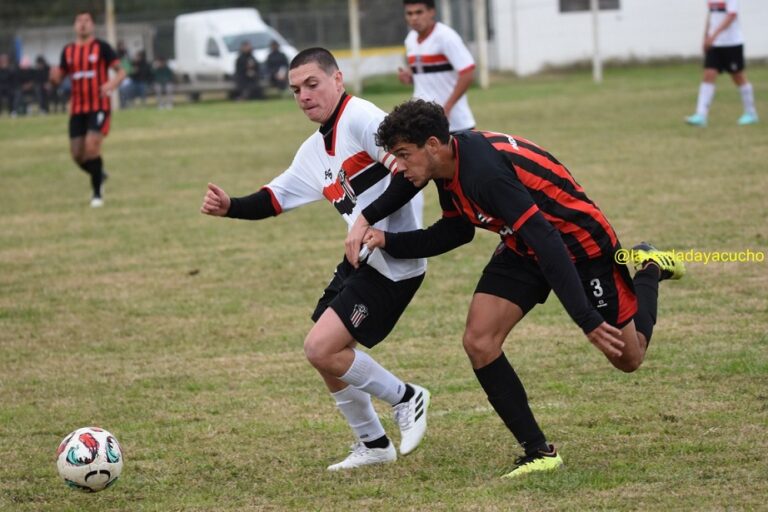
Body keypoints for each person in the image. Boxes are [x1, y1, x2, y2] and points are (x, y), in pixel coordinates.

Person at [346, 99, 686, 479]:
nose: (400, 166)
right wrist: (382, 236)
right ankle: (539, 451)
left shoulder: (483, 174)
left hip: (579, 246)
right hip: (523, 246)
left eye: (404, 155)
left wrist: (587, 320)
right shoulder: (445, 166)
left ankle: (650, 267)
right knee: (479, 340)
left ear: (432, 145)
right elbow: (457, 231)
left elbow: (549, 242)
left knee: (629, 358)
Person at [200, 48, 431, 471]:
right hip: (361, 260)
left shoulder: (362, 118)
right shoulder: (313, 151)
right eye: (295, 90)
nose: (304, 95)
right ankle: (373, 444)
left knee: (320, 348)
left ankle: (408, 398)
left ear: (337, 80)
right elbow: (272, 199)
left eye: (312, 84)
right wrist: (229, 205)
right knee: (328, 356)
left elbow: (413, 172)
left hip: (395, 261)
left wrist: (366, 218)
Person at [51, 10, 125, 208]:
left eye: (86, 20)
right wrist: (53, 78)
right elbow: (58, 78)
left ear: (92, 25)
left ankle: (97, 193)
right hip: (77, 108)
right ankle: (99, 173)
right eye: (79, 21)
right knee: (77, 155)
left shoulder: (102, 47)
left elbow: (122, 71)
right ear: (75, 25)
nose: (82, 24)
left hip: (98, 106)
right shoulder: (67, 51)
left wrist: (111, 84)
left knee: (92, 148)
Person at [399, 0, 476, 133]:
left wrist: (447, 107)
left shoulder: (446, 37)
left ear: (432, 12)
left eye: (419, 12)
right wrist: (409, 76)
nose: (414, 18)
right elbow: (424, 72)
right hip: (423, 118)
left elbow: (467, 73)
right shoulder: (410, 39)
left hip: (455, 122)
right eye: (409, 13)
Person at [685, 0, 758, 126]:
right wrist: (706, 37)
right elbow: (711, 15)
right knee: (709, 74)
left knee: (738, 77)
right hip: (715, 44)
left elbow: (731, 16)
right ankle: (701, 115)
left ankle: (751, 113)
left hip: (732, 43)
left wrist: (713, 35)